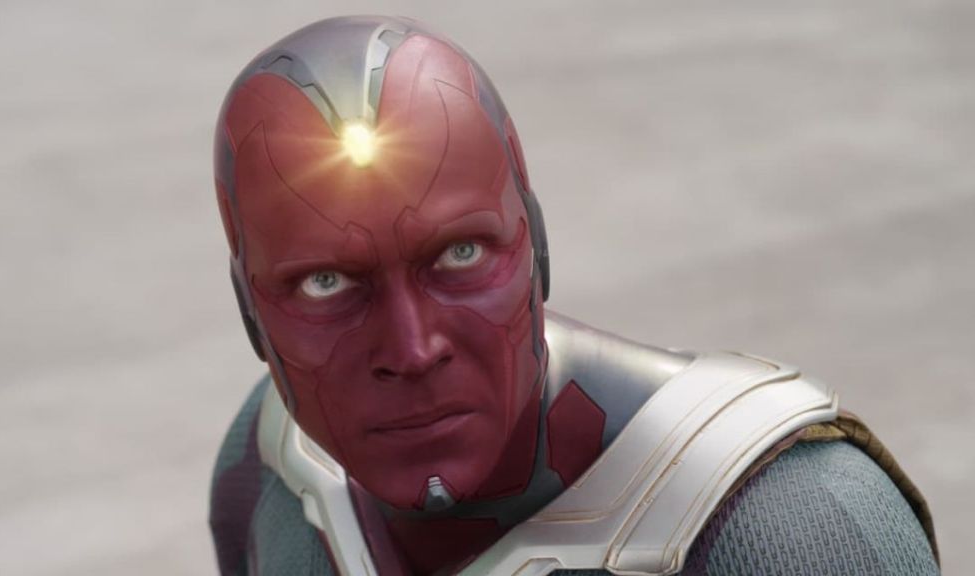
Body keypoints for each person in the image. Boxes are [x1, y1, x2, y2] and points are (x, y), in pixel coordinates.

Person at [208, 15, 939, 576]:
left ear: (536, 249)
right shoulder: (276, 469)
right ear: (251, 313)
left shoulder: (796, 524)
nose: (413, 348)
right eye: (327, 283)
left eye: (461, 254)